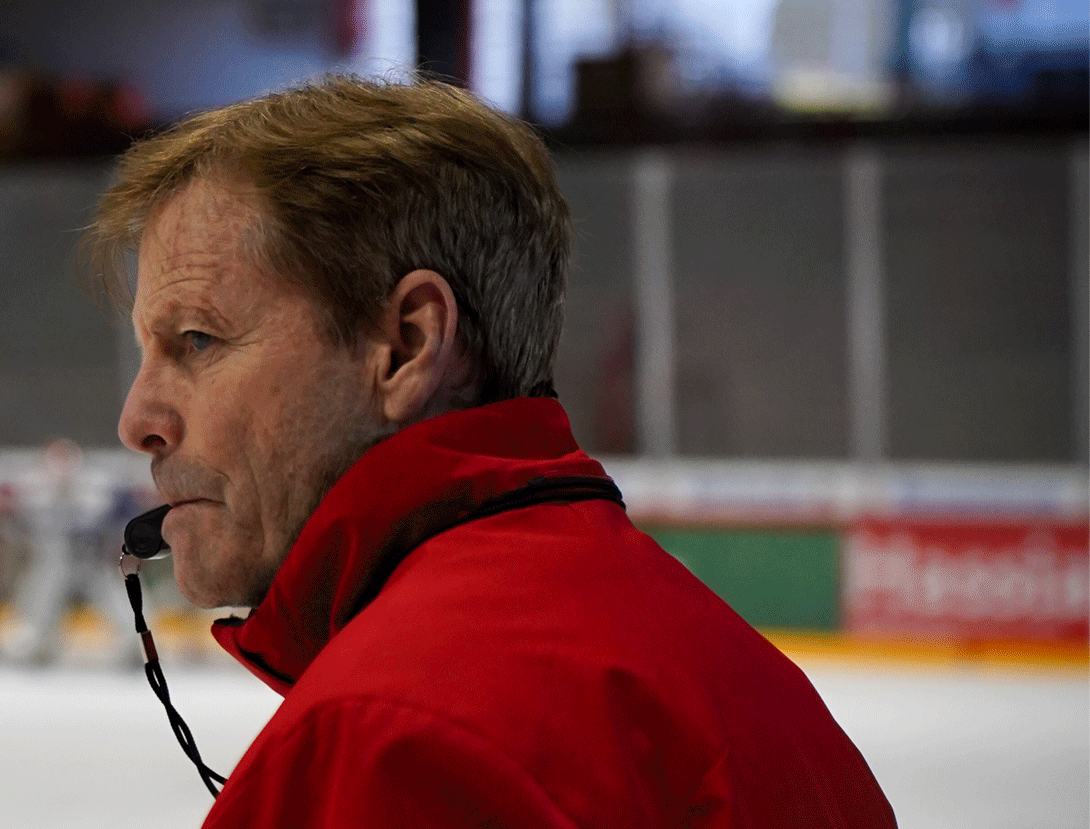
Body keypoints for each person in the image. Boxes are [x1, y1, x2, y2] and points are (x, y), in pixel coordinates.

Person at [84, 76, 896, 828]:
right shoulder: (766, 697)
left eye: (197, 339)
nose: (137, 419)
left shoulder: (383, 741)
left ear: (406, 347)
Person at [0, 437, 138, 667]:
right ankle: (36, 642)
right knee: (40, 596)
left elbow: (126, 510)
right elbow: (8, 512)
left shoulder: (98, 483)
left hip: (92, 560)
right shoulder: (32, 485)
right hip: (53, 559)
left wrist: (118, 538)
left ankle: (135, 643)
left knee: (117, 599)